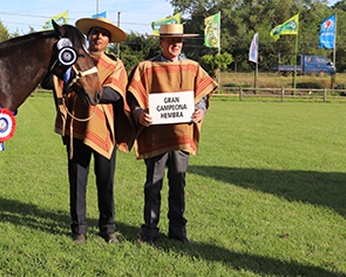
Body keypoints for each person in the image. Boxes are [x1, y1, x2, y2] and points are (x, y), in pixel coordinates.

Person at [42, 17, 134, 244]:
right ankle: (79, 229)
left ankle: (107, 228)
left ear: (109, 41)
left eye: (104, 34)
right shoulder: (73, 59)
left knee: (106, 183)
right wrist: (63, 69)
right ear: (88, 36)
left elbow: (115, 94)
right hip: (76, 129)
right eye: (95, 33)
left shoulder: (115, 65)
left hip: (104, 131)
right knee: (77, 182)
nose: (98, 37)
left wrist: (86, 87)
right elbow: (47, 82)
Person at [127, 23, 218, 244]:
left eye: (179, 41)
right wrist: (139, 114)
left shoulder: (193, 67)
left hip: (181, 135)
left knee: (179, 183)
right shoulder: (145, 68)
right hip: (155, 135)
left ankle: (178, 229)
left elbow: (202, 96)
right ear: (161, 42)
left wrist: (200, 111)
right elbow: (132, 96)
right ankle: (149, 229)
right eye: (171, 41)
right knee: (153, 185)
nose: (176, 45)